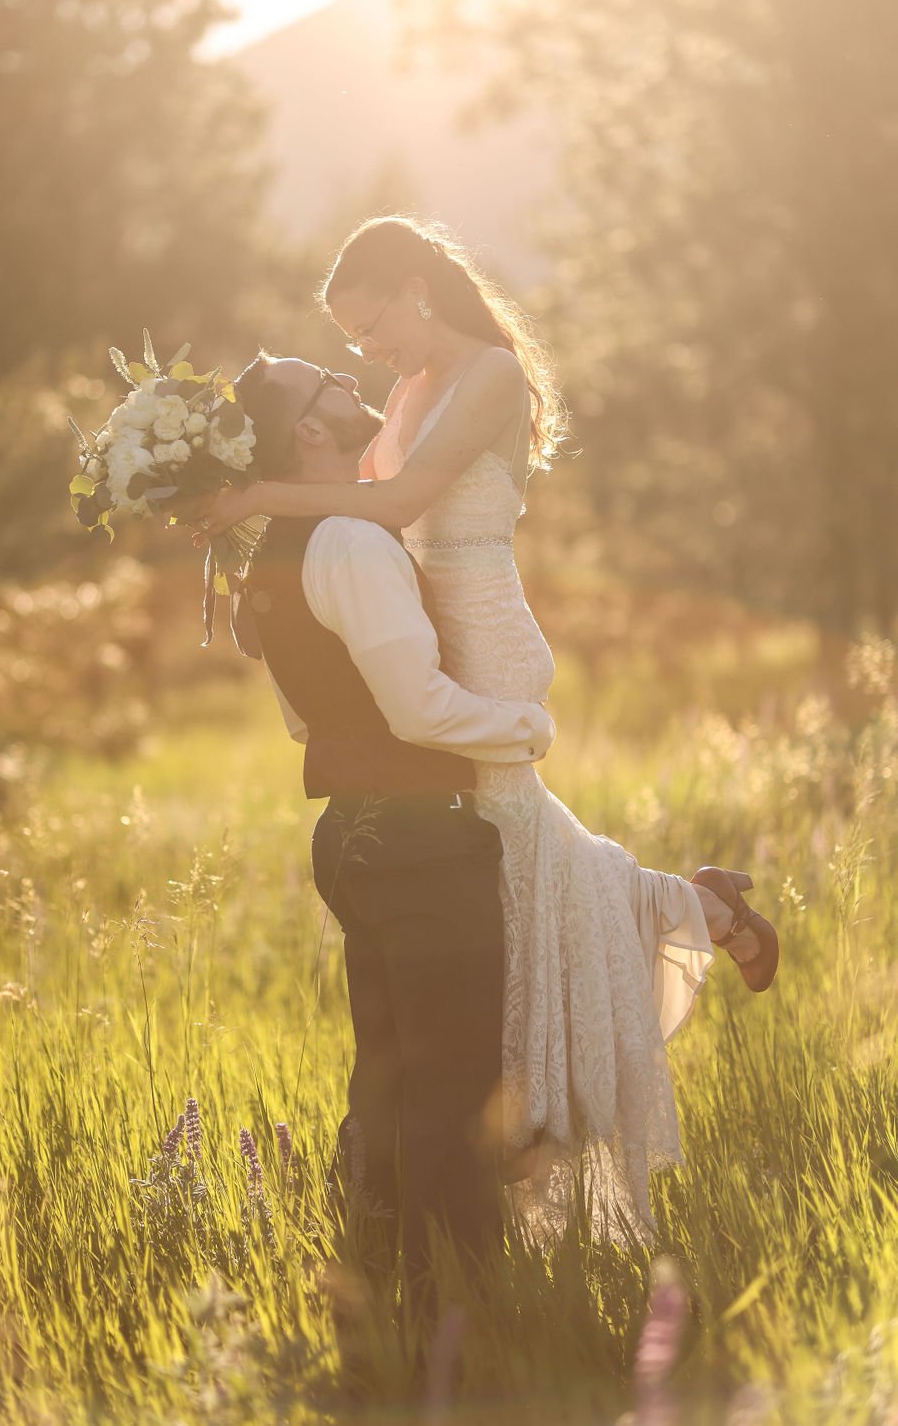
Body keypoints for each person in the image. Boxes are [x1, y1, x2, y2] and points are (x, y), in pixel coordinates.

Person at [188, 216, 780, 1239]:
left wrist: (245, 496)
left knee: (526, 879)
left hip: (486, 642)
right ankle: (701, 913)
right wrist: (251, 538)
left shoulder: (489, 375)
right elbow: (343, 504)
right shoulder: (407, 390)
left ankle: (527, 1114)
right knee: (536, 873)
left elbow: (399, 498)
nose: (368, 357)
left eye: (372, 329)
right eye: (355, 345)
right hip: (428, 640)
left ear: (417, 287)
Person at [190, 355, 556, 1310]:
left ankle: (385, 1290)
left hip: (351, 838)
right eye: (331, 386)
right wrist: (528, 729)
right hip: (421, 840)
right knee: (456, 1085)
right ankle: (463, 1308)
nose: (355, 386)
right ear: (311, 430)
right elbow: (419, 707)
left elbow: (304, 721)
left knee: (392, 1083)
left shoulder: (273, 554)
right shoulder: (349, 541)